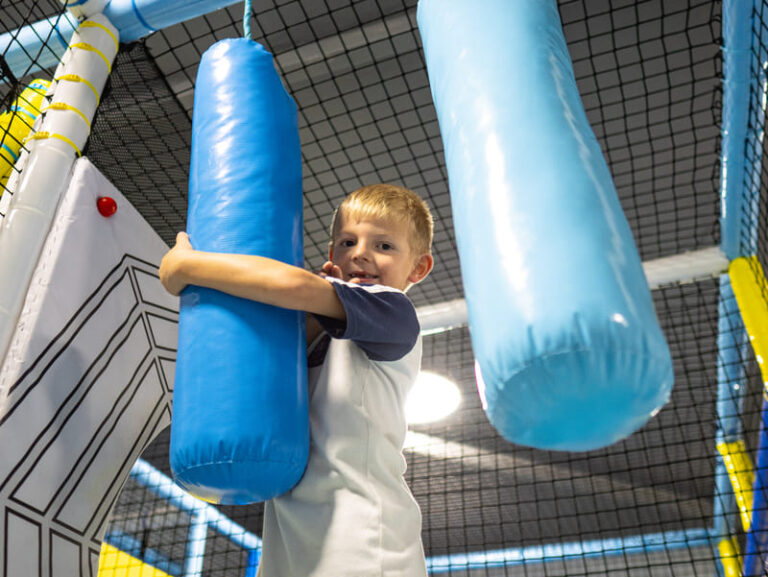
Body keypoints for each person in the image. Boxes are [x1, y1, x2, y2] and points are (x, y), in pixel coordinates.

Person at [159, 183, 434, 577]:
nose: (360, 253)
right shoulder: (321, 327)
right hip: (292, 538)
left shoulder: (394, 311)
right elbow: (283, 321)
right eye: (347, 241)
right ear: (332, 254)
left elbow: (294, 285)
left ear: (418, 268)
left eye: (384, 246)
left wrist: (188, 267)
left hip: (365, 536)